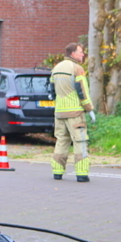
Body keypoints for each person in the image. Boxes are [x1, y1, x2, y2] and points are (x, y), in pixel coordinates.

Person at [50, 42, 96, 182]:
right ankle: (82, 174)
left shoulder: (56, 68)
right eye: (80, 52)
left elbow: (52, 91)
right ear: (73, 53)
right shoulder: (77, 69)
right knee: (80, 141)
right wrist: (89, 109)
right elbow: (82, 91)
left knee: (61, 141)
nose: (83, 54)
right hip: (75, 112)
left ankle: (57, 172)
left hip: (59, 112)